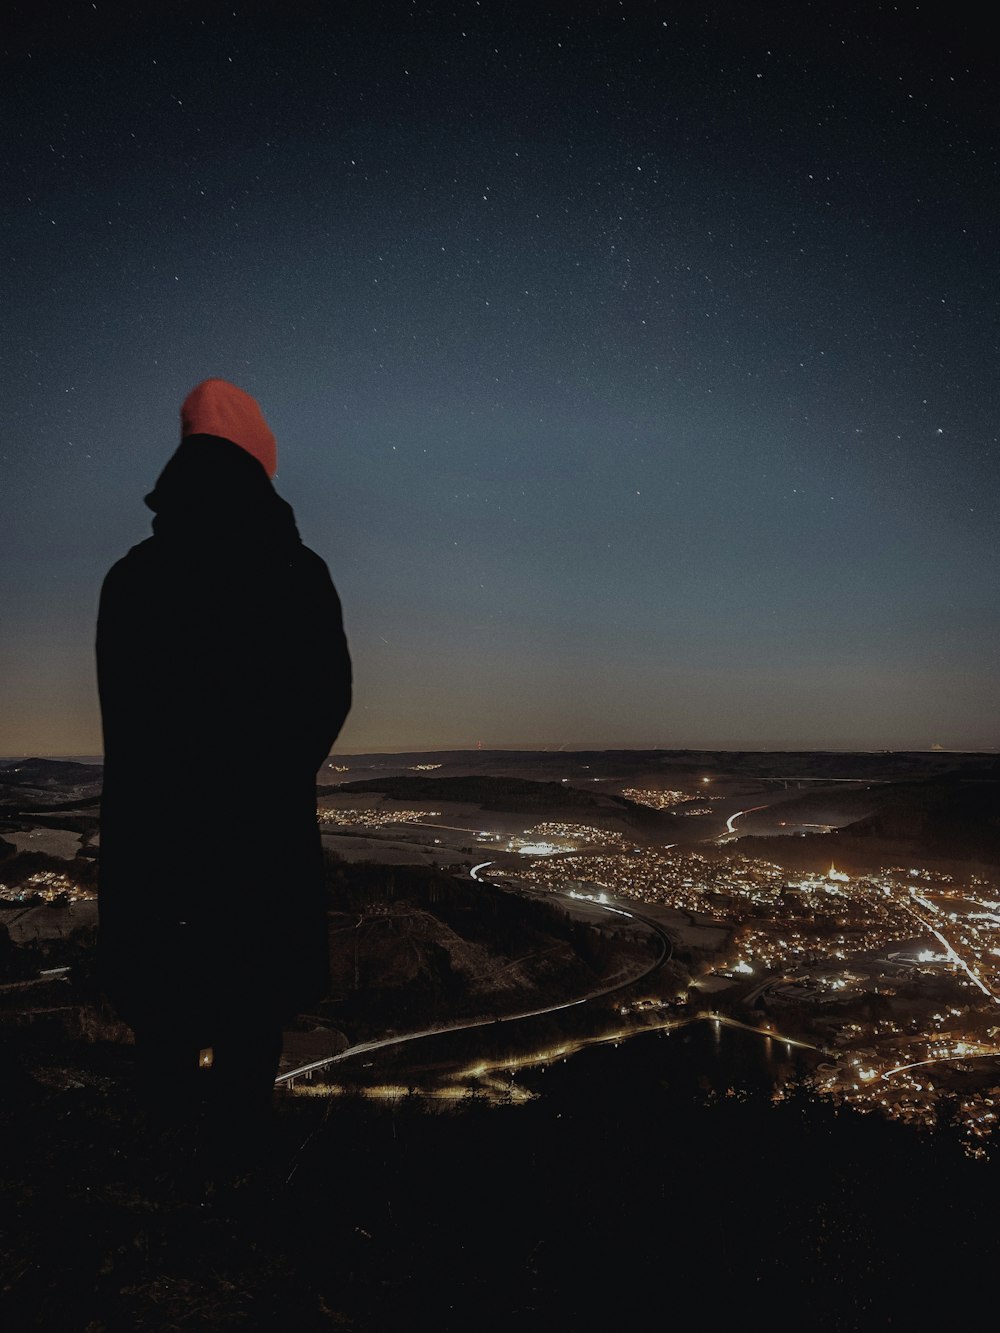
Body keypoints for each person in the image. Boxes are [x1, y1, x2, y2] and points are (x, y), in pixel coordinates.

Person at [95, 378, 351, 1168]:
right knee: (249, 1045)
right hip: (258, 857)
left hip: (156, 858)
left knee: (163, 1050)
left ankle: (154, 1232)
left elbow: (127, 721)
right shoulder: (297, 573)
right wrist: (264, 785)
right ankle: (239, 1217)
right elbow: (325, 702)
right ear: (260, 464)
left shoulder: (131, 578)